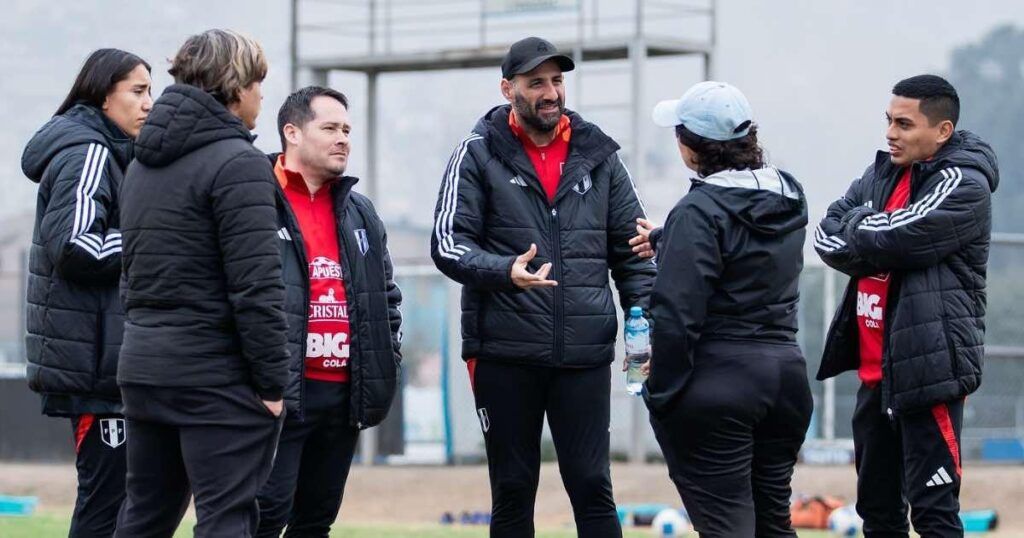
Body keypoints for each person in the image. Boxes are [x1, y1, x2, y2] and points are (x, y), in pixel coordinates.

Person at [430, 36, 655, 538]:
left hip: (584, 353)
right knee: (512, 489)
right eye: (537, 83)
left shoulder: (600, 156)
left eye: (557, 81)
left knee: (593, 484)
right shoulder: (475, 153)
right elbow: (447, 244)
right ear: (508, 88)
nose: (551, 92)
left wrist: (643, 325)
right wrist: (504, 271)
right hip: (504, 355)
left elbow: (635, 253)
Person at [115, 29, 289, 537]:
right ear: (236, 87)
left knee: (144, 519)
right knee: (226, 521)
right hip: (215, 378)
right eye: (258, 83)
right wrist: (272, 385)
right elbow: (257, 288)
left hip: (145, 370)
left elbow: (133, 278)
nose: (261, 96)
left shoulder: (141, 165)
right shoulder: (239, 165)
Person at [814, 74, 998, 537]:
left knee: (934, 514)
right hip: (874, 377)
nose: (890, 134)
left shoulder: (964, 183)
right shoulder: (881, 173)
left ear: (942, 130)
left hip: (928, 375)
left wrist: (865, 226)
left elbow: (899, 236)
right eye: (888, 121)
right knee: (877, 513)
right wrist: (872, 227)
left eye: (904, 123)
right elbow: (825, 234)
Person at [638, 81, 813, 537]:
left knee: (726, 527)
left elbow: (677, 315)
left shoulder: (698, 211)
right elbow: (747, 252)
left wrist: (660, 392)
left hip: (720, 382)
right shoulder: (790, 195)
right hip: (785, 379)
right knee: (773, 524)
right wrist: (667, 240)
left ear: (690, 146)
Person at [255, 86, 403, 537]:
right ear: (292, 133)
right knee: (263, 515)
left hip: (342, 398)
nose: (343, 139)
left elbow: (386, 296)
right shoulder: (255, 200)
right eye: (330, 128)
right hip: (276, 397)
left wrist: (385, 358)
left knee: (316, 521)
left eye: (346, 130)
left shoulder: (360, 211)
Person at [21, 47, 152, 538]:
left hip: (104, 366)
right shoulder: (90, 151)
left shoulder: (108, 150)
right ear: (102, 96)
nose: (148, 104)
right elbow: (77, 246)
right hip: (95, 371)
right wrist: (153, 237)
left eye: (150, 92)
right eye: (137, 92)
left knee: (121, 506)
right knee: (105, 508)